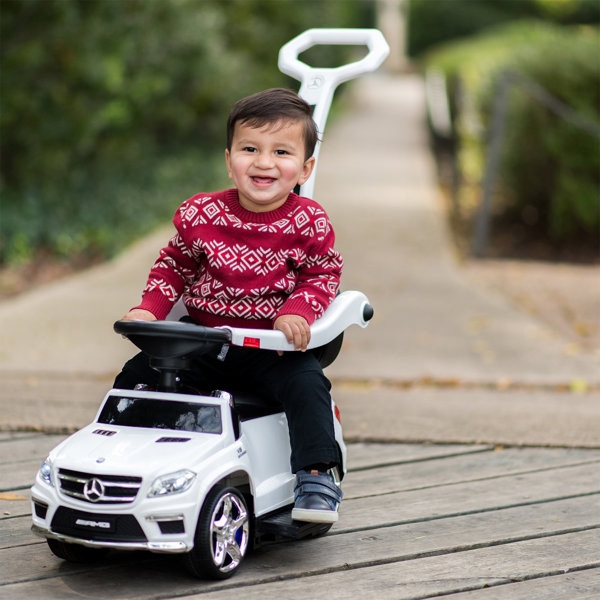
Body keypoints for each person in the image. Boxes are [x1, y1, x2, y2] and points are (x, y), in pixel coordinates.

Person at [114, 88, 344, 523]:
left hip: (270, 350)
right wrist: (149, 309)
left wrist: (298, 310)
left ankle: (316, 475)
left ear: (305, 168)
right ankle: (120, 450)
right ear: (229, 159)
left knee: (308, 383)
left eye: (281, 151)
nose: (263, 161)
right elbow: (173, 267)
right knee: (139, 373)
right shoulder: (201, 214)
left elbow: (322, 274)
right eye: (250, 148)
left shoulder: (309, 222)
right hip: (202, 344)